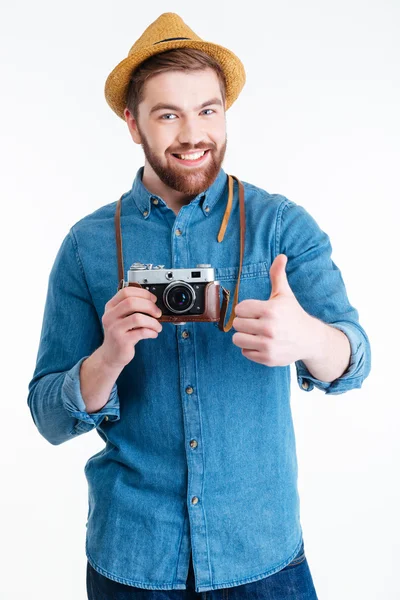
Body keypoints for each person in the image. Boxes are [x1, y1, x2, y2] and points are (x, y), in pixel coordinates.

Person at [27, 12, 371, 600]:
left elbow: (355, 360)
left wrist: (308, 340)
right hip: (132, 558)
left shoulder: (280, 226)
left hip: (262, 556)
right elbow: (48, 416)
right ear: (132, 123)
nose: (193, 134)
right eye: (168, 114)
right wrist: (108, 358)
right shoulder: (86, 246)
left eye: (208, 110)